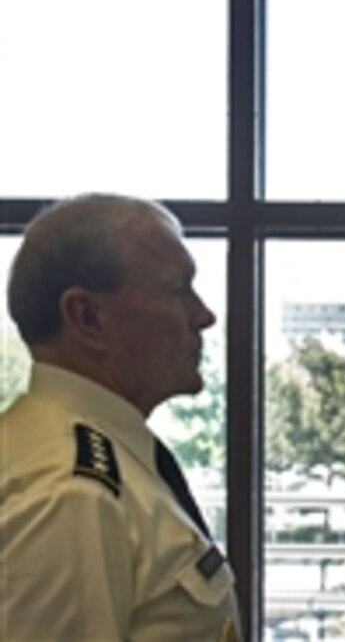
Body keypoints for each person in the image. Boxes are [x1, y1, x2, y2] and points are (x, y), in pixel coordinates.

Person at [0, 194, 241, 640]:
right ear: (88, 317)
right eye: (176, 290)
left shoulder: (75, 453)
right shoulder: (71, 493)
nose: (204, 316)